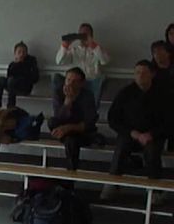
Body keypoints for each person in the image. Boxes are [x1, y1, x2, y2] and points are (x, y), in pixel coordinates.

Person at [101, 60, 169, 200]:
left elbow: (169, 121)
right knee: (120, 148)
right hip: (130, 133)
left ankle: (155, 190)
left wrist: (151, 134)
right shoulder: (125, 93)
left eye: (144, 73)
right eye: (137, 72)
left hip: (153, 135)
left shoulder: (163, 94)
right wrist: (133, 133)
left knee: (152, 152)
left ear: (152, 74)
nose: (140, 76)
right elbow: (113, 118)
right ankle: (112, 184)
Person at [48, 67, 97, 171]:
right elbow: (58, 117)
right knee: (52, 121)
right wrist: (68, 102)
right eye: (68, 80)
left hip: (80, 130)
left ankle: (71, 173)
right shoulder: (59, 92)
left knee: (71, 140)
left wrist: (68, 128)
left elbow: (89, 122)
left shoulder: (87, 95)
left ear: (81, 83)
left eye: (74, 81)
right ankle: (65, 136)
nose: (70, 84)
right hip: (63, 127)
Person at [54, 23, 110, 107]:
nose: (83, 36)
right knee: (57, 77)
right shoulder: (74, 50)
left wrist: (92, 44)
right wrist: (65, 45)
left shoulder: (97, 49)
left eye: (86, 34)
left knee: (101, 79)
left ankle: (92, 111)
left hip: (91, 81)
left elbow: (105, 60)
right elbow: (59, 61)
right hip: (75, 81)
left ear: (91, 35)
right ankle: (60, 111)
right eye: (81, 34)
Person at [0, 41, 39, 110]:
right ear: (15, 54)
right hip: (12, 87)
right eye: (19, 52)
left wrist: (23, 66)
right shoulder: (13, 64)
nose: (21, 54)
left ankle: (11, 106)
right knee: (1, 79)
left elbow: (35, 78)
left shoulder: (31, 62)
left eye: (24, 52)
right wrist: (17, 64)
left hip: (25, 87)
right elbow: (9, 76)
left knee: (11, 81)